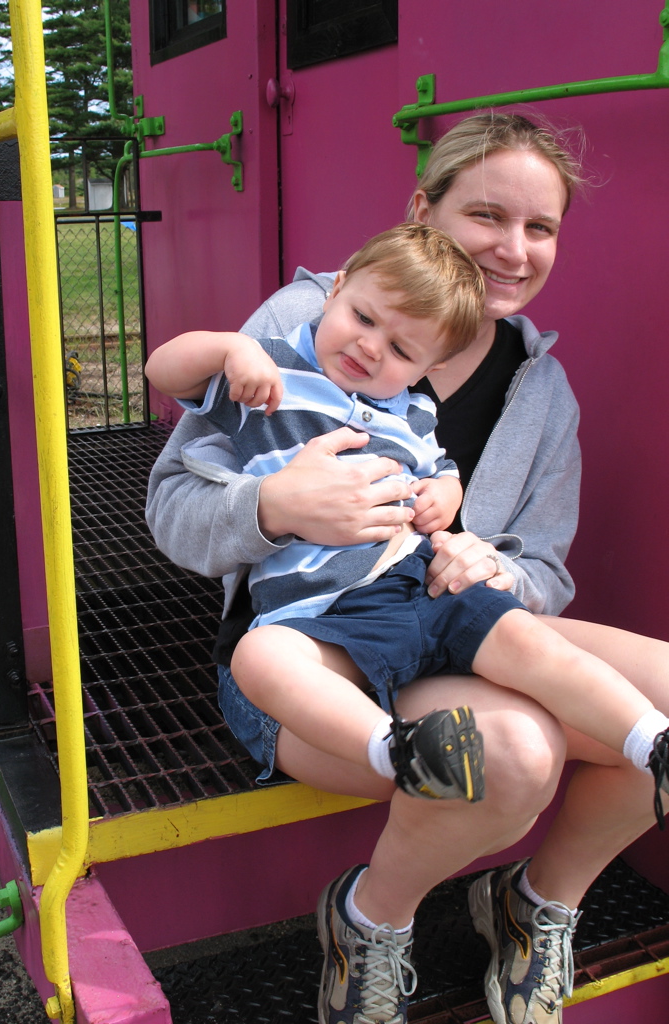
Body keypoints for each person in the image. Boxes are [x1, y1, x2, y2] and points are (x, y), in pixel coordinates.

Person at [145, 113, 669, 1024]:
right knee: (515, 755)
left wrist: (488, 563)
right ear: (423, 210)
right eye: (487, 215)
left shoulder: (540, 388)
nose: (513, 250)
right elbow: (171, 510)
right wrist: (275, 506)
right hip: (314, 647)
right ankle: (370, 921)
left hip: (448, 620)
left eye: (540, 227)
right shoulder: (309, 323)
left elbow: (543, 568)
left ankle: (538, 901)